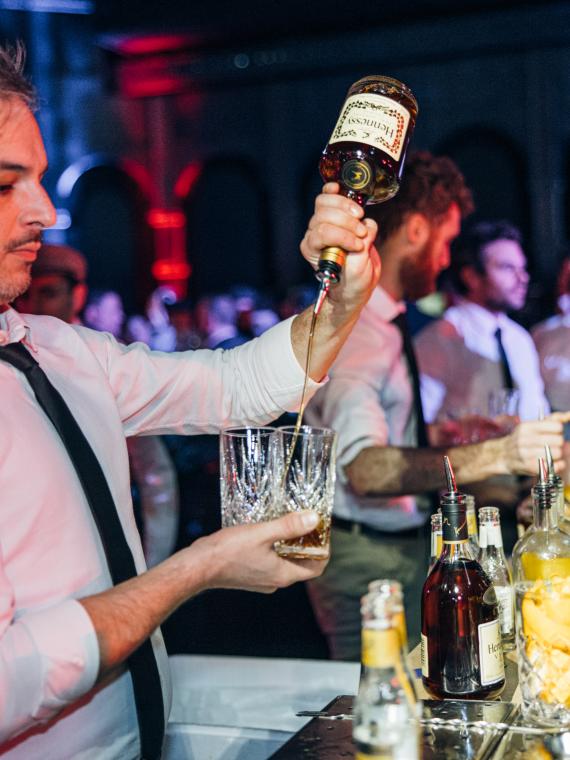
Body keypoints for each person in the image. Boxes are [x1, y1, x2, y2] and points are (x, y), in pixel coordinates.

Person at [0, 43, 380, 757]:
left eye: (41, 180)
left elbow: (233, 387)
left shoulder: (61, 350)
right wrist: (197, 568)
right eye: (3, 185)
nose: (46, 213)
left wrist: (340, 303)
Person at [304, 151, 569, 661]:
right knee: (379, 707)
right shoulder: (358, 330)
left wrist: (449, 436)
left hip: (396, 541)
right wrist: (500, 454)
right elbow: (365, 468)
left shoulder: (387, 323)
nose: (448, 260)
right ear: (420, 231)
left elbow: (391, 440)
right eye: (446, 242)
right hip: (365, 553)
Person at [416, 220, 548, 425]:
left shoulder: (519, 338)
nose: (522, 277)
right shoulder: (440, 338)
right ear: (471, 276)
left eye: (522, 268)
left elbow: (537, 412)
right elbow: (423, 426)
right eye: (507, 268)